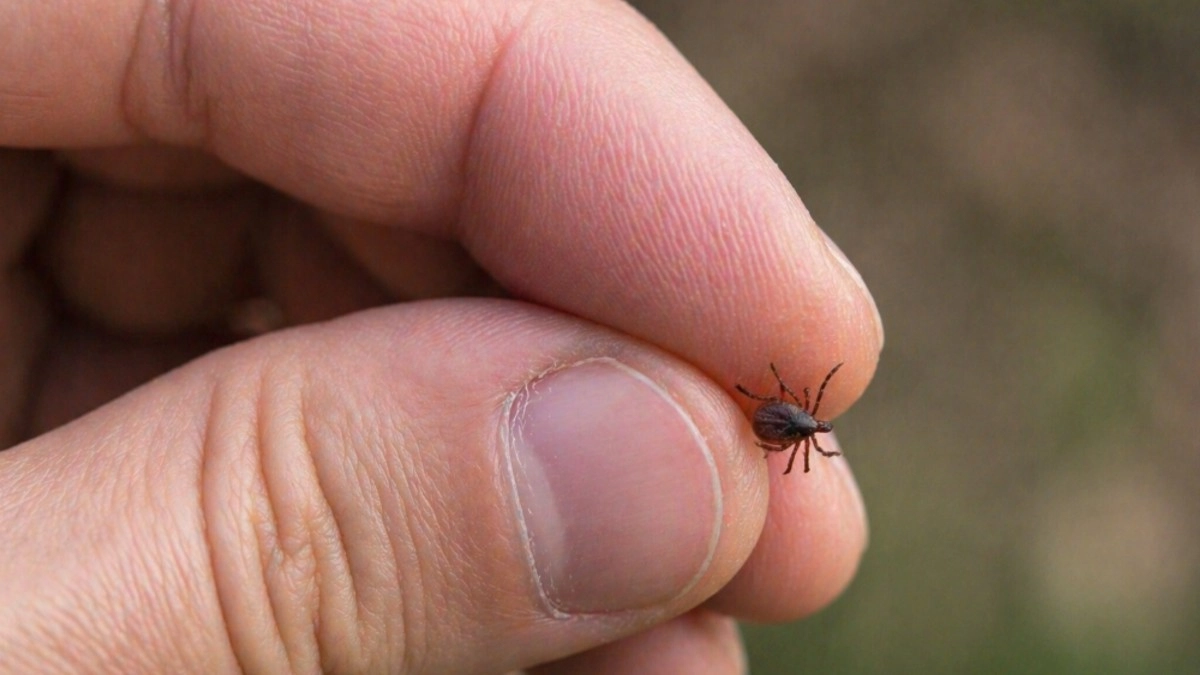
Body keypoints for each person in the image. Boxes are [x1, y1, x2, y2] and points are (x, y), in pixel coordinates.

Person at [0, 0, 882, 671]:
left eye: (792, 427)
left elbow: (762, 401)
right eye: (796, 420)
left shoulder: (773, 417)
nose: (793, 425)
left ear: (790, 429)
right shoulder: (783, 428)